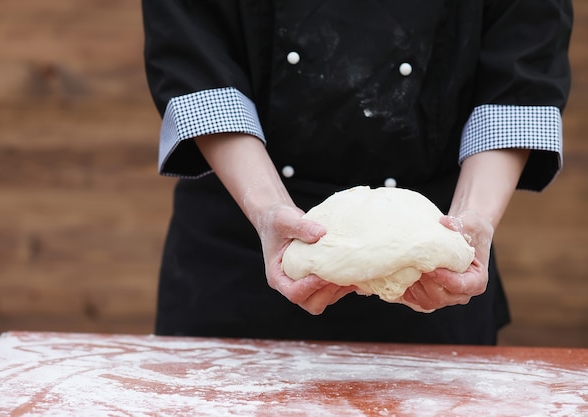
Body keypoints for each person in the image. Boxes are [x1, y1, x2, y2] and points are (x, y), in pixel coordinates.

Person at [141, 0, 572, 345]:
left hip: (436, 256)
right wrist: (267, 208)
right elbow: (195, 61)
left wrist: (471, 220)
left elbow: (520, 77)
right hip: (241, 252)